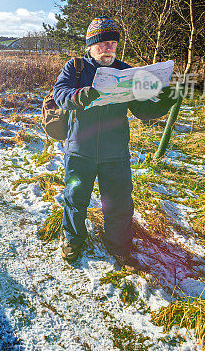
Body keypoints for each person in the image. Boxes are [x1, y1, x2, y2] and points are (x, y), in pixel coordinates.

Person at [52, 16, 177, 267]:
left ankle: (119, 246)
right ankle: (73, 240)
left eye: (112, 43)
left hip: (115, 152)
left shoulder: (126, 72)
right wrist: (79, 95)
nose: (108, 48)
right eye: (102, 44)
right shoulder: (75, 68)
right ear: (90, 46)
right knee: (75, 198)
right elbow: (60, 94)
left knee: (119, 202)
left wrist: (166, 101)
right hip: (80, 148)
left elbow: (143, 110)